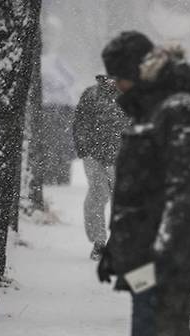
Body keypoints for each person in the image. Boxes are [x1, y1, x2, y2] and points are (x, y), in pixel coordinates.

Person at [97, 31, 190, 336]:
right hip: (143, 261)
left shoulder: (178, 111)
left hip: (164, 263)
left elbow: (183, 192)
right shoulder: (150, 110)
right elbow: (138, 195)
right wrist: (117, 246)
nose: (115, 84)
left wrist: (164, 251)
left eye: (118, 75)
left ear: (136, 69)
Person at [72, 74, 129, 260]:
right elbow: (79, 123)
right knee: (98, 194)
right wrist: (84, 150)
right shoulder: (91, 95)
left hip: (122, 158)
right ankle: (99, 242)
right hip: (94, 156)